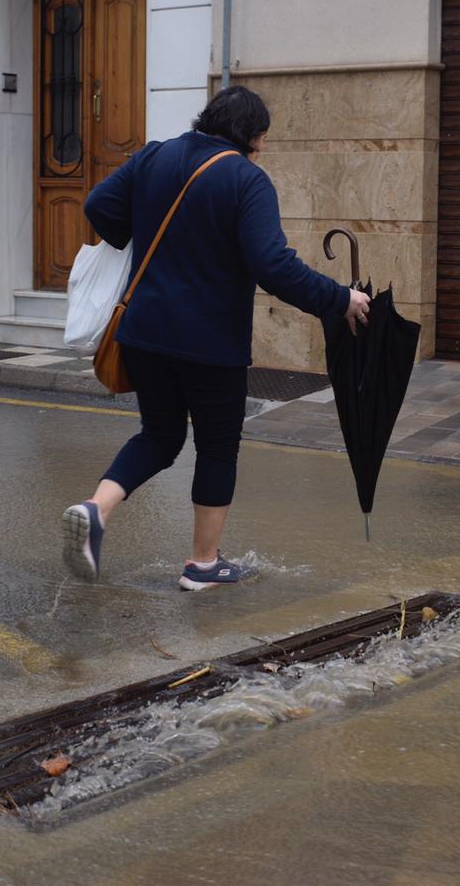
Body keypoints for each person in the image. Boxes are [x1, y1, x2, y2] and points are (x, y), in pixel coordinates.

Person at [61, 86, 371, 591]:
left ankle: (96, 509)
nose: (262, 149)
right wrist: (340, 300)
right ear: (250, 135)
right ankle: (203, 565)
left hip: (143, 333)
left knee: (159, 436)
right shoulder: (246, 180)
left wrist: (143, 231)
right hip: (210, 342)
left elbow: (99, 206)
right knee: (217, 445)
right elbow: (273, 265)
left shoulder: (155, 155)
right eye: (263, 139)